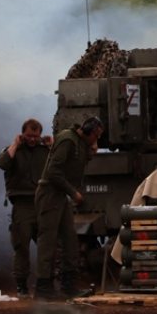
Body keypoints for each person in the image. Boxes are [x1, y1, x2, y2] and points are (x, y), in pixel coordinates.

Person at [33, 116, 104, 300]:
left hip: (59, 195)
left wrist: (92, 150)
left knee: (70, 240)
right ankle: (43, 287)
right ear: (89, 132)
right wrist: (73, 193)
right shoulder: (67, 139)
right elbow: (53, 172)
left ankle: (69, 285)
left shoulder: (79, 142)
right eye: (96, 136)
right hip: (50, 193)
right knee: (48, 241)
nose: (96, 140)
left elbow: (79, 159)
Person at [0, 118, 51, 296]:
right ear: (22, 134)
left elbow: (61, 165)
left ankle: (46, 284)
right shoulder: (14, 151)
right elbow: (2, 164)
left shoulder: (45, 151)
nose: (32, 139)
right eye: (28, 136)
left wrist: (52, 146)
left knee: (48, 246)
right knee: (21, 246)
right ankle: (21, 285)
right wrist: (15, 144)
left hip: (42, 203)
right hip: (22, 204)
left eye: (35, 136)